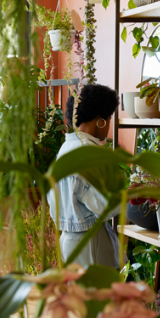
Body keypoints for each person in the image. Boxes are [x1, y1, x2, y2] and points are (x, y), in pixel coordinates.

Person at [47, 84, 120, 269]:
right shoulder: (88, 153)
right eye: (109, 118)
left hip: (68, 240)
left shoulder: (66, 148)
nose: (109, 126)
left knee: (78, 296)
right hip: (90, 243)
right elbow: (107, 206)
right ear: (99, 120)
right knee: (97, 297)